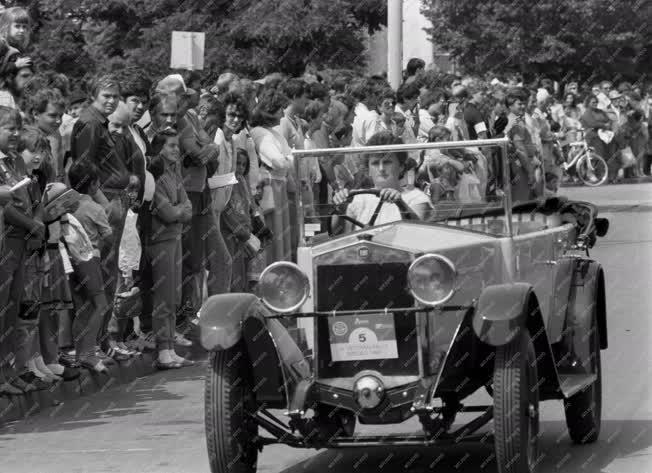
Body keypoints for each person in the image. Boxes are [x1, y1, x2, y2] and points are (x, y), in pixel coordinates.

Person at [0, 107, 47, 394]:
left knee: (11, 310)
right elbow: (8, 207)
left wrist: (35, 223)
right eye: (8, 128)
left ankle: (9, 370)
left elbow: (28, 197)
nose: (15, 134)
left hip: (20, 243)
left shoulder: (15, 161)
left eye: (18, 128)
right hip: (6, 240)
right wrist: (32, 224)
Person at [147, 128, 193, 369]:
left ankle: (171, 348)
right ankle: (163, 349)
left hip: (175, 237)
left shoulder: (174, 172)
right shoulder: (155, 175)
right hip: (160, 240)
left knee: (174, 296)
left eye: (177, 145)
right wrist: (178, 211)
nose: (176, 149)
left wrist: (179, 211)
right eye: (171, 146)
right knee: (164, 296)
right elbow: (168, 212)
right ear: (160, 148)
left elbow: (188, 206)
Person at [332, 131, 432, 232]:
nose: (381, 168)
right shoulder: (359, 198)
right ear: (369, 170)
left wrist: (401, 204)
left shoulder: (416, 198)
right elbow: (340, 235)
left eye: (387, 162)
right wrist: (340, 208)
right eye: (375, 163)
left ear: (401, 167)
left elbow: (417, 231)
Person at [67, 160, 113, 372]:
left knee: (82, 309)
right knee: (100, 305)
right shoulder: (95, 208)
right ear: (94, 185)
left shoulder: (68, 206)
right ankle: (88, 353)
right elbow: (108, 236)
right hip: (89, 259)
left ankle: (79, 352)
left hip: (70, 260)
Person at [249, 89, 293, 263]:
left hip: (279, 186)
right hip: (271, 188)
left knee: (281, 235)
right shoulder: (260, 133)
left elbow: (286, 159)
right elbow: (279, 162)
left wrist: (288, 159)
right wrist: (290, 158)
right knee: (274, 234)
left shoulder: (273, 132)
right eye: (279, 108)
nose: (283, 113)